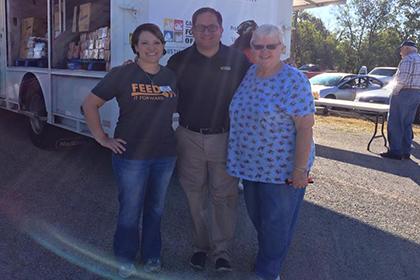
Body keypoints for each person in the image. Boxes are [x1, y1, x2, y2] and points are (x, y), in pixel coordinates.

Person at [82, 23, 177, 278]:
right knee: (130, 210)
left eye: (156, 43)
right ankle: (124, 258)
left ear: (163, 46)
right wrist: (102, 138)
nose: (151, 48)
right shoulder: (122, 74)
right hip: (131, 156)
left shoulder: (170, 77)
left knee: (156, 209)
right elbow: (90, 104)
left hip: (164, 155)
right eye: (145, 43)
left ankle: (152, 256)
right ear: (135, 46)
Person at [226, 24, 315, 280]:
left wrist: (300, 170)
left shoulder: (294, 79)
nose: (264, 51)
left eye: (271, 46)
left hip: (281, 170)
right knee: (259, 219)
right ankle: (269, 257)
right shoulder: (251, 73)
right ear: (251, 48)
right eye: (258, 45)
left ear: (282, 48)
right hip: (250, 166)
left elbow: (305, 126)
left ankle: (268, 272)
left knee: (276, 224)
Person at [167, 7, 250, 272]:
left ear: (221, 29)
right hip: (188, 136)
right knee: (194, 195)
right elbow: (160, 89)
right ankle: (200, 247)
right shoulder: (178, 61)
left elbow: (258, 87)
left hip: (226, 138)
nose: (206, 31)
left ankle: (221, 250)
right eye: (201, 27)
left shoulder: (237, 60)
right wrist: (132, 69)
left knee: (223, 196)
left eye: (212, 26)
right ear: (192, 30)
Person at [380, 39, 420, 160]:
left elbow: (402, 79)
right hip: (416, 93)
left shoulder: (407, 59)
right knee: (407, 123)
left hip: (404, 92)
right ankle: (405, 151)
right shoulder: (418, 59)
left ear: (406, 48)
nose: (400, 53)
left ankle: (396, 151)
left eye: (401, 50)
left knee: (395, 122)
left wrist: (394, 92)